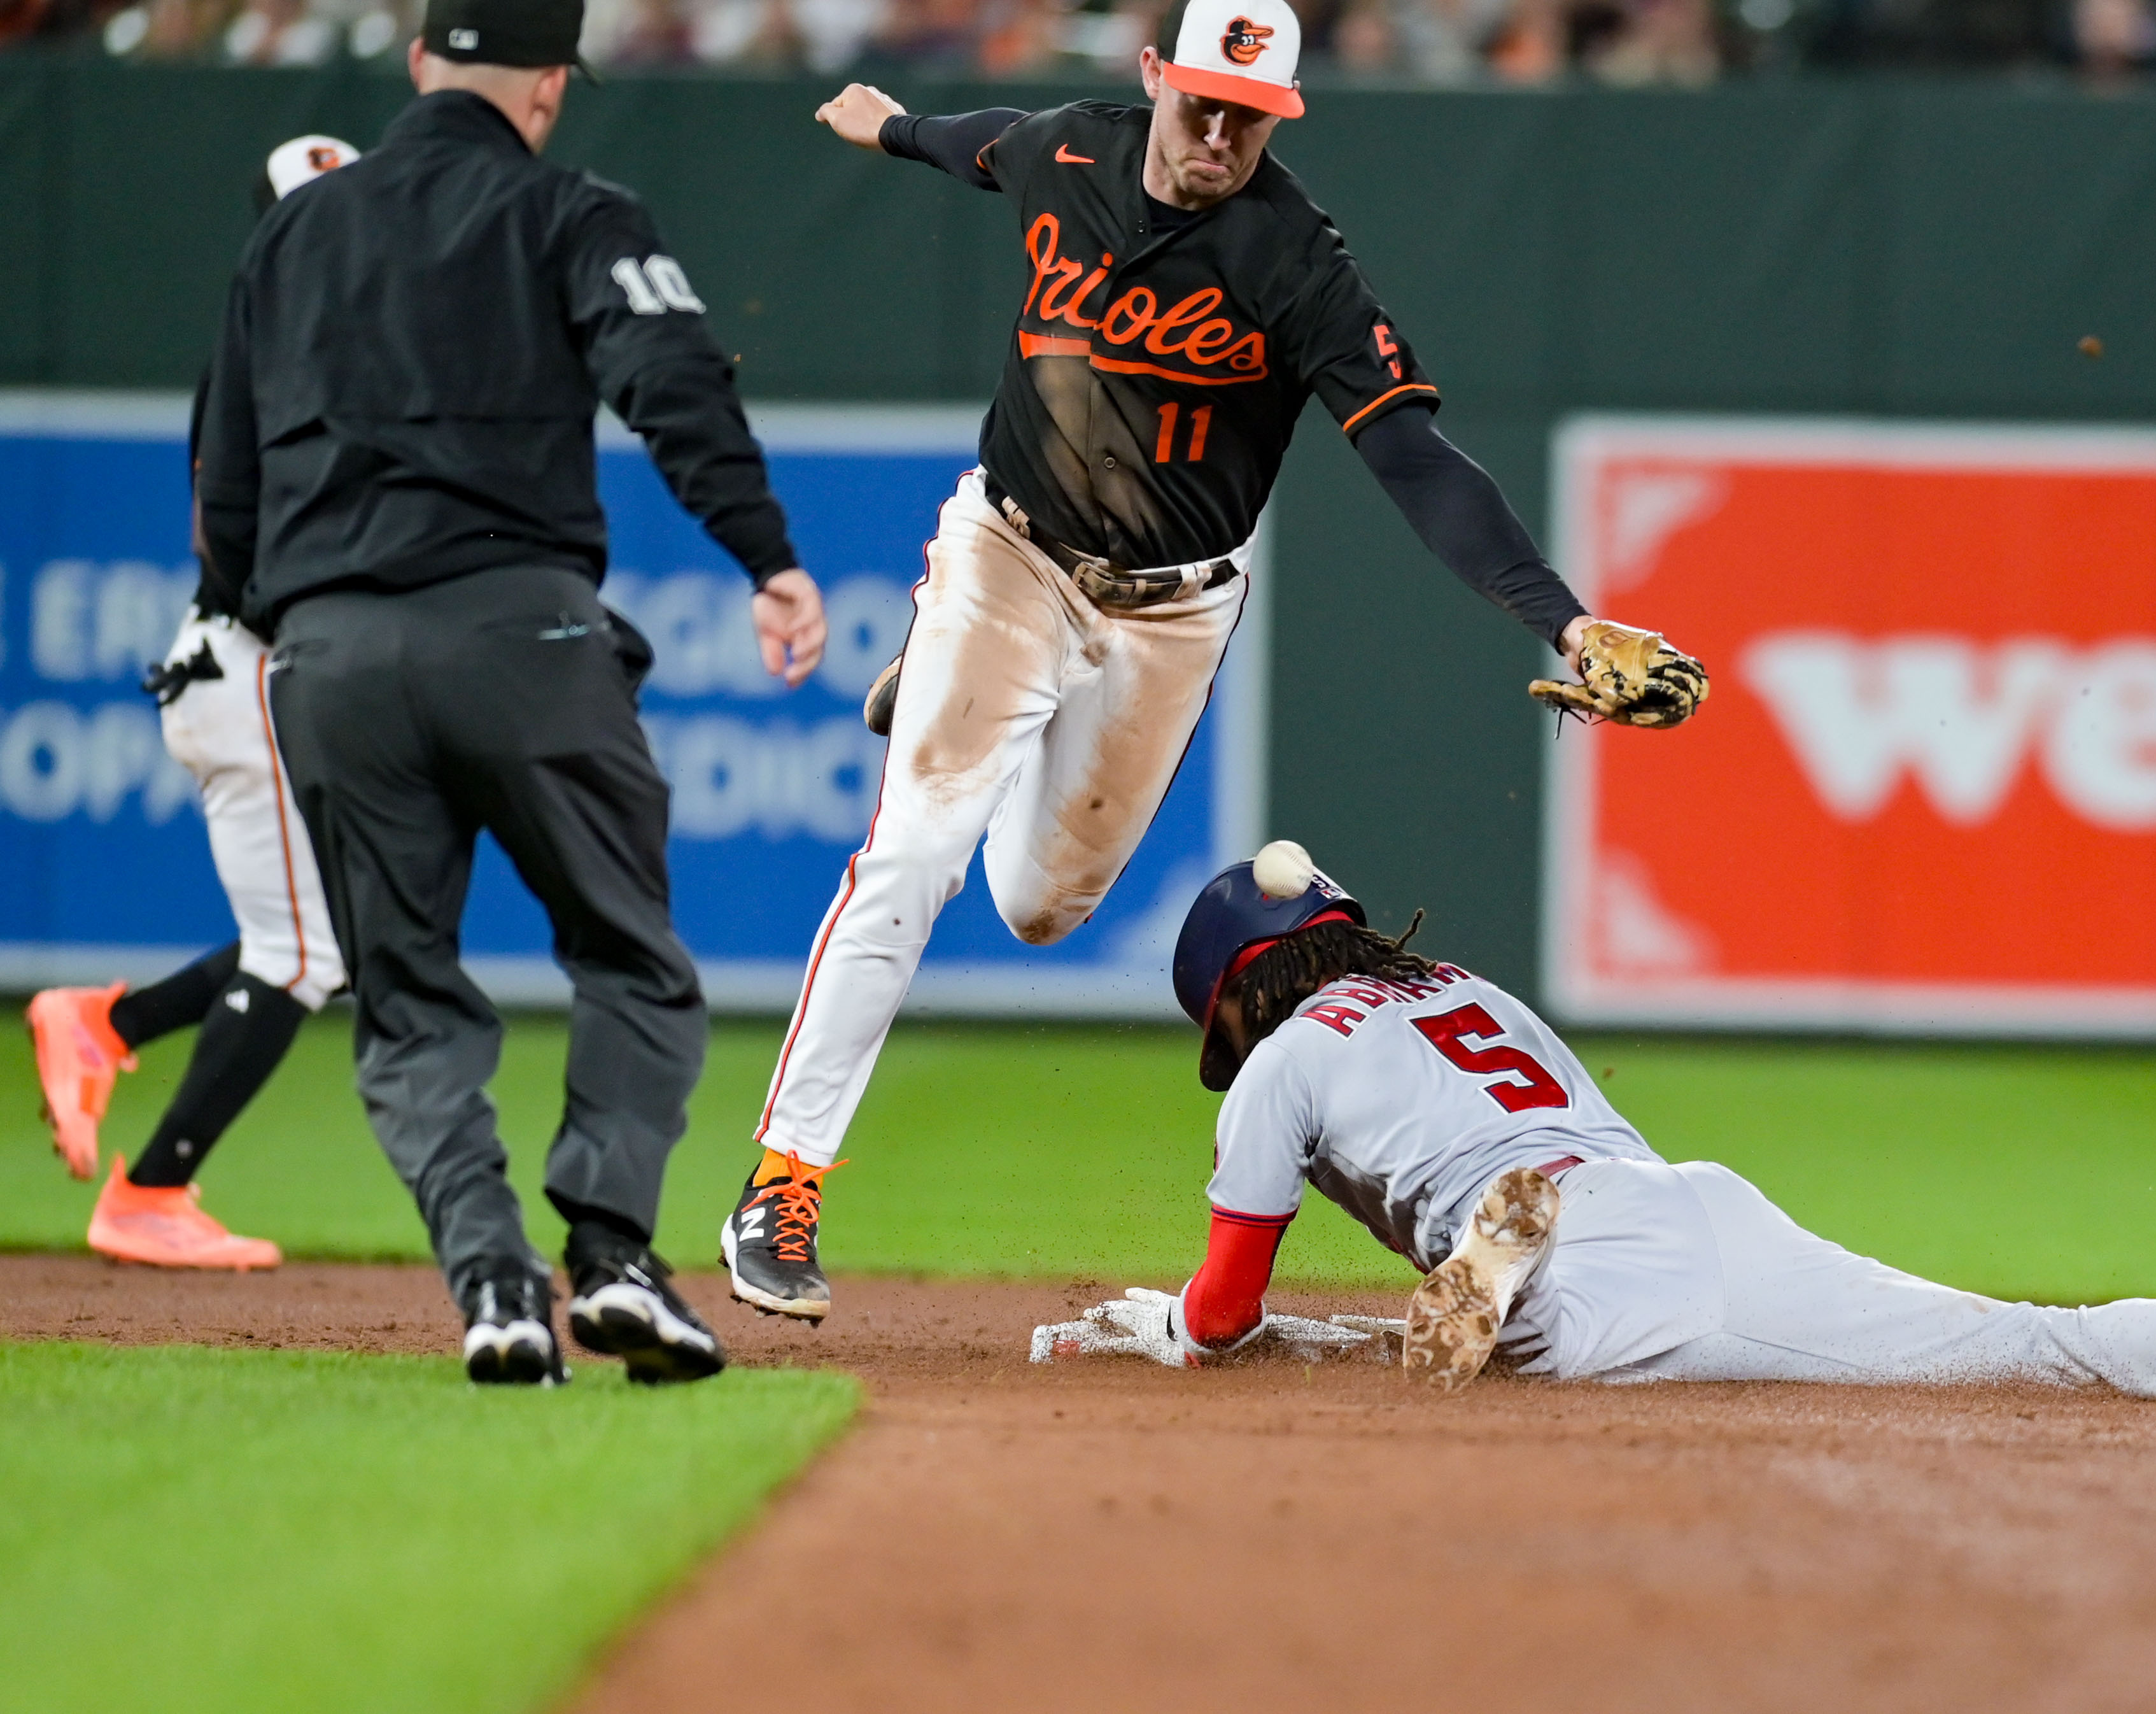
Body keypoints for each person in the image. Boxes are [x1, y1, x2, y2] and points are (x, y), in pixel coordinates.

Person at [721, 0, 1707, 1323]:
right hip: (1012, 551)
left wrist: (1562, 617)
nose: (1220, 133)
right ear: (1153, 81)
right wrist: (892, 125)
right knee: (912, 850)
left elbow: (1411, 456)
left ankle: (950, 702)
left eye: (1251, 116)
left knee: (1037, 907)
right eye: (1200, 104)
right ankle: (785, 1177)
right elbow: (980, 140)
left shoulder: (1292, 259)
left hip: (1169, 611)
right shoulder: (1071, 148)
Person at [195, 0, 829, 1385]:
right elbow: (670, 381)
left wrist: (270, 620)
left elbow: (225, 479)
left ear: (421, 62)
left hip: (330, 658)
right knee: (630, 954)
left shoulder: (290, 231)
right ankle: (607, 1254)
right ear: (549, 87)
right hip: (521, 637)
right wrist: (764, 556)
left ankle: (489, 1280)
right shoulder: (573, 209)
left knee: (407, 997)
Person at [1036, 842, 2156, 1406]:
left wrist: (1195, 1323)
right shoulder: (1460, 984)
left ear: (1227, 1004)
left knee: (1470, 1343)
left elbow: (1223, 1310)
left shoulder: (1290, 1056)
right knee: (2041, 1340)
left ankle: (1481, 1285)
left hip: (1576, 1266)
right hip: (1682, 1200)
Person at [24, 136, 364, 1273]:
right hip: (253, 666)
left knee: (324, 941)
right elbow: (229, 532)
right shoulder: (275, 342)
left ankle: (103, 1025)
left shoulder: (325, 342)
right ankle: (150, 1192)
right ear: (276, 230)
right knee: (307, 955)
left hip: (261, 668)